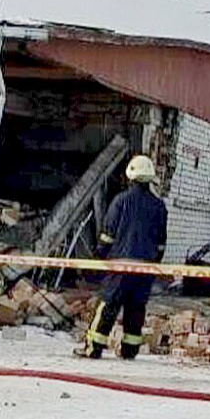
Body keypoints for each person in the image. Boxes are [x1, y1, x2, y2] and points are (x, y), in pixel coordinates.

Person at [75, 154, 168, 360]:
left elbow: (107, 236)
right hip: (145, 269)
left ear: (130, 177)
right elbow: (161, 243)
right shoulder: (159, 207)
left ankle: (93, 348)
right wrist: (153, 265)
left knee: (108, 305)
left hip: (120, 265)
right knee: (136, 308)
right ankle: (129, 351)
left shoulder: (121, 201)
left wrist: (98, 258)